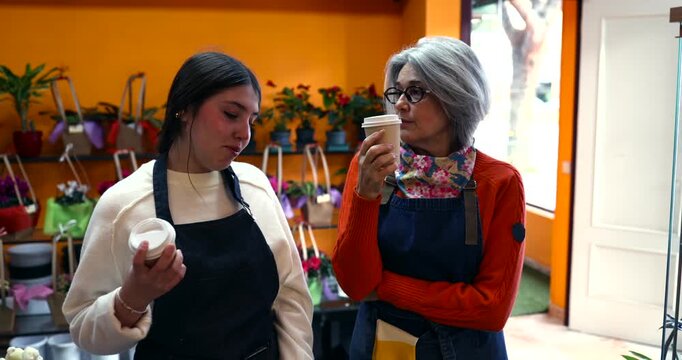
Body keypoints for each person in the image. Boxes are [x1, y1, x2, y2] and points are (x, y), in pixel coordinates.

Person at [63, 52, 314, 359]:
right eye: (232, 114)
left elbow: (291, 298)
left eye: (252, 120)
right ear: (185, 108)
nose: (244, 134)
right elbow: (83, 329)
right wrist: (133, 297)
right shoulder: (124, 206)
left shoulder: (256, 188)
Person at [332, 36, 526, 359]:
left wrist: (388, 288)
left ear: (456, 96)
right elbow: (356, 284)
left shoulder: (500, 182)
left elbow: (492, 308)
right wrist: (366, 195)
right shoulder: (370, 167)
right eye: (397, 92)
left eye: (416, 91)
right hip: (380, 347)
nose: (400, 104)